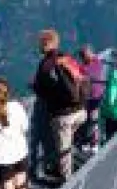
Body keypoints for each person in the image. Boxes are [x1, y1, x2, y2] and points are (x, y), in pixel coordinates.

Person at [31, 29, 87, 181]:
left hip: (63, 114)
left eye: (40, 43)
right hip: (80, 111)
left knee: (63, 148)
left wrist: (33, 86)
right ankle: (61, 167)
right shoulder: (67, 58)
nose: (38, 46)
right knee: (65, 142)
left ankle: (66, 182)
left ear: (45, 44)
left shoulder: (46, 64)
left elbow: (41, 89)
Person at [78, 45, 107, 150]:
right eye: (83, 55)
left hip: (96, 97)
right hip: (88, 97)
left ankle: (93, 143)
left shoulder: (96, 63)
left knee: (93, 120)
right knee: (87, 121)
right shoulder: (83, 67)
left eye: (86, 54)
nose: (86, 57)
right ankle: (87, 141)